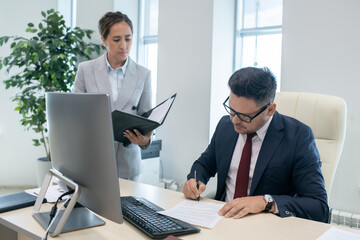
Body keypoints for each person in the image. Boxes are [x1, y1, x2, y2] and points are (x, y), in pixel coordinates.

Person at [183, 67, 329, 222]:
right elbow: (204, 164)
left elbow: (318, 207)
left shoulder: (298, 136)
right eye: (231, 110)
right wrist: (194, 180)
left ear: (270, 109)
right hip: (221, 220)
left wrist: (265, 202)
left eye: (245, 116)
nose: (234, 120)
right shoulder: (225, 126)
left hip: (266, 228)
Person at [74, 11, 152, 180]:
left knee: (128, 206)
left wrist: (145, 141)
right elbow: (76, 116)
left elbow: (147, 119)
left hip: (128, 163)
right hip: (93, 160)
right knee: (91, 207)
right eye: (116, 40)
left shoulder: (143, 74)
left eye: (128, 38)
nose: (123, 45)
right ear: (104, 39)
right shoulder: (85, 70)